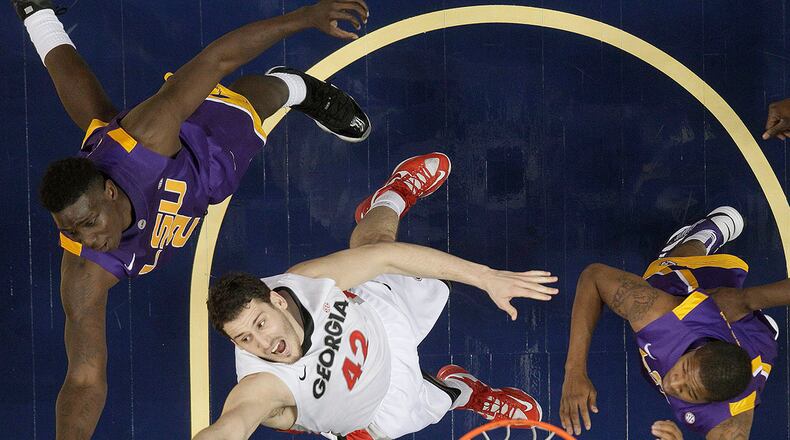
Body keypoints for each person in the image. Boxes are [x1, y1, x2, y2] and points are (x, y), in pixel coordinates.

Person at [12, 0, 371, 437]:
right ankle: (37, 13)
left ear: (108, 191)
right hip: (168, 188)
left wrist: (303, 19)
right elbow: (84, 378)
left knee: (256, 99)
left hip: (193, 154)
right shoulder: (85, 271)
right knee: (99, 122)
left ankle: (296, 87)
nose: (85, 240)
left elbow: (216, 59)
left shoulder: (146, 136)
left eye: (88, 224)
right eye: (70, 231)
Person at [195, 153, 557, 439]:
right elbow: (232, 425)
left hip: (374, 316)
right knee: (436, 403)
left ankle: (391, 196)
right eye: (245, 339)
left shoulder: (306, 282)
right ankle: (468, 392)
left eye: (260, 324)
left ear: (276, 300)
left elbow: (386, 259)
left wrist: (486, 277)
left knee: (376, 248)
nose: (262, 342)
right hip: (376, 405)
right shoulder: (262, 385)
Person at [559, 206, 783, 439]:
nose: (674, 383)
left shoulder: (729, 425)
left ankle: (758, 327)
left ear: (711, 404)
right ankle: (700, 236)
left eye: (690, 392)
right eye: (685, 369)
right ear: (699, 351)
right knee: (663, 274)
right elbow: (594, 277)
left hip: (754, 346)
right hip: (704, 309)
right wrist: (574, 372)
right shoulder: (661, 315)